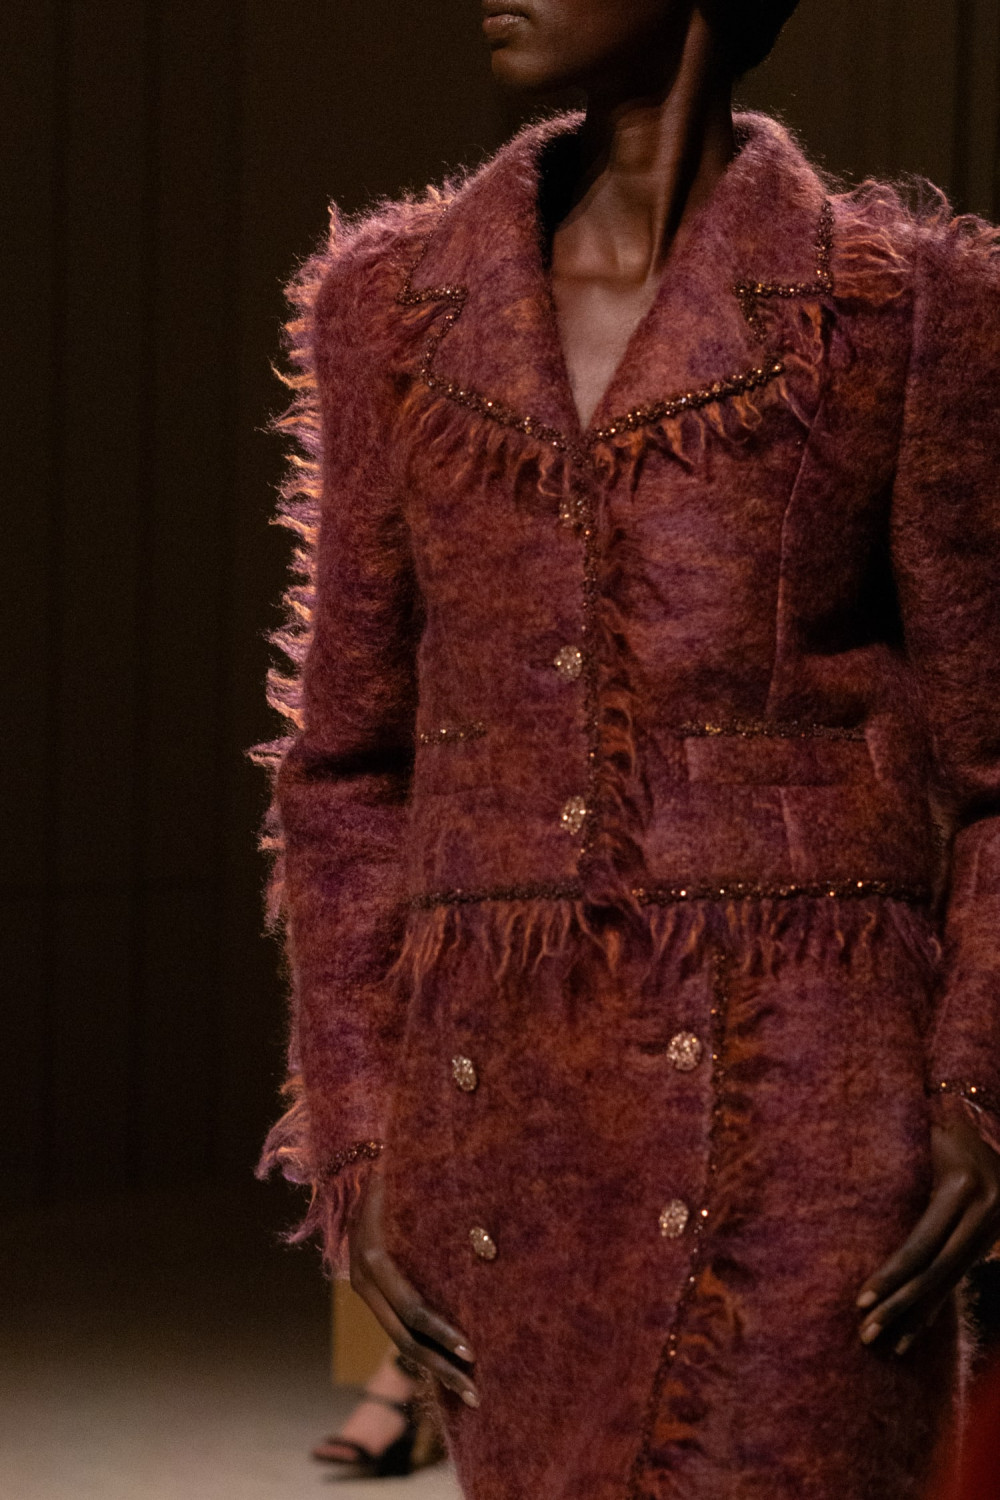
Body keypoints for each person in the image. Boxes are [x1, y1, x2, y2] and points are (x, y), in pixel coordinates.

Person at [256, 2, 1000, 1495]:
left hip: (808, 1100)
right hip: (503, 1109)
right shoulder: (397, 303)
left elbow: (992, 769)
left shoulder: (900, 307)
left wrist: (977, 1091)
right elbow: (346, 773)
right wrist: (363, 1138)